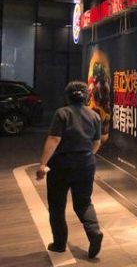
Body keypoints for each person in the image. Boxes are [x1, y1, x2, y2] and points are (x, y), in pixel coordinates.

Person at [36, 81, 105, 259]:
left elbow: (54, 139)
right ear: (86, 96)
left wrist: (42, 164)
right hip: (86, 164)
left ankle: (59, 244)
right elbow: (97, 142)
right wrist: (87, 156)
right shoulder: (94, 115)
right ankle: (94, 231)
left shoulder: (62, 113)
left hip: (61, 166)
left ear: (67, 96)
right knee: (84, 203)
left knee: (57, 205)